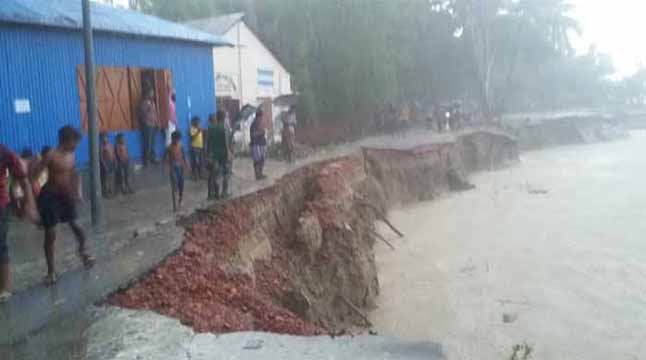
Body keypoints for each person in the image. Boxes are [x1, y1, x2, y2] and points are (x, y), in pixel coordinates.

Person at [36, 126, 94, 286]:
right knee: (51, 234)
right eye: (74, 142)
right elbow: (35, 174)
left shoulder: (72, 155)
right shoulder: (51, 155)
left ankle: (83, 252)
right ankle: (51, 272)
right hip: (50, 196)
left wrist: (78, 192)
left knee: (77, 226)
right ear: (66, 141)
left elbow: (75, 173)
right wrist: (32, 201)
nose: (76, 145)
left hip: (66, 196)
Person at [0, 145, 38, 302]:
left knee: (0, 246)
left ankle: (3, 290)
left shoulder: (3, 152)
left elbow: (22, 178)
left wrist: (28, 204)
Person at [206, 111, 230, 199]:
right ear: (223, 117)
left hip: (214, 155)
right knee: (226, 173)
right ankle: (224, 192)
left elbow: (208, 143)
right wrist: (228, 153)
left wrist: (208, 155)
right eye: (226, 117)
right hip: (224, 154)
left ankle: (215, 193)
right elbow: (226, 141)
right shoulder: (225, 127)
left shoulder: (211, 128)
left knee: (215, 174)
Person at [164, 131, 188, 211]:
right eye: (176, 139)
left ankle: (180, 200)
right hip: (173, 168)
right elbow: (164, 158)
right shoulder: (169, 148)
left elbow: (184, 156)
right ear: (172, 139)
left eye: (179, 139)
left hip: (180, 168)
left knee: (181, 185)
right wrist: (167, 165)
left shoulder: (181, 146)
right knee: (174, 187)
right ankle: (174, 206)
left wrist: (187, 164)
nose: (177, 141)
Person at [139, 90, 158, 166]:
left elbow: (155, 114)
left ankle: (152, 158)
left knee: (153, 143)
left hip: (153, 125)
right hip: (147, 125)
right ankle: (146, 160)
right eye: (151, 93)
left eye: (153, 93)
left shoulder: (153, 103)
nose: (152, 95)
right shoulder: (143, 103)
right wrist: (148, 109)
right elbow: (141, 114)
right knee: (147, 143)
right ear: (147, 94)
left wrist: (157, 123)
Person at [250, 108, 267, 180]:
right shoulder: (254, 124)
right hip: (256, 144)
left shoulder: (260, 123)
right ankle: (257, 174)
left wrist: (262, 131)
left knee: (262, 159)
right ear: (259, 116)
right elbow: (252, 135)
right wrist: (260, 132)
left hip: (262, 143)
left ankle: (260, 173)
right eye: (262, 116)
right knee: (257, 160)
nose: (262, 118)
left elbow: (263, 131)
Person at [100, 133, 116, 198]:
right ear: (101, 139)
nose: (105, 139)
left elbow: (113, 154)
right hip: (106, 163)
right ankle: (107, 193)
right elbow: (101, 158)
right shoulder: (102, 147)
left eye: (106, 137)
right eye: (103, 137)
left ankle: (111, 191)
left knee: (111, 178)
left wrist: (115, 161)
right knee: (106, 179)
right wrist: (104, 165)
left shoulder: (110, 145)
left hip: (111, 162)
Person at [189, 116, 204, 180]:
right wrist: (198, 131)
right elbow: (192, 138)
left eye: (199, 122)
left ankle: (200, 175)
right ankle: (195, 176)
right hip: (195, 148)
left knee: (200, 162)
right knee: (195, 162)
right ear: (194, 122)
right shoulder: (192, 129)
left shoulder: (199, 129)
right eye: (197, 121)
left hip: (200, 147)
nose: (199, 123)